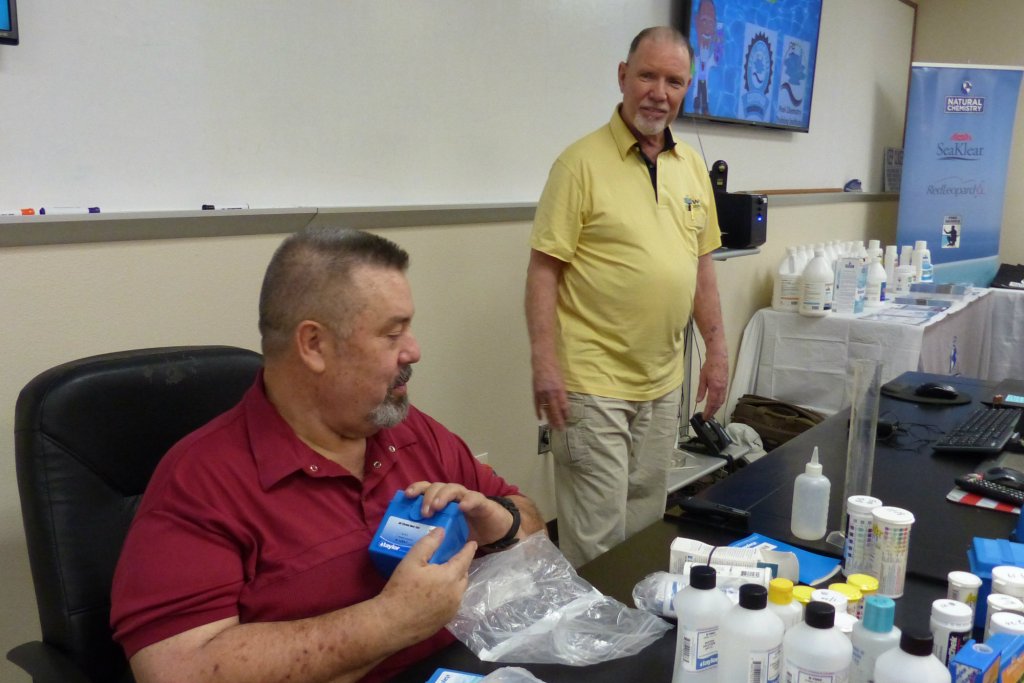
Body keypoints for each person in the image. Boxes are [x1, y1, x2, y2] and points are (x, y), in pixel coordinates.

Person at [111, 227, 544, 683]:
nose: (414, 350)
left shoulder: (408, 428)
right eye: (392, 333)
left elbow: (532, 526)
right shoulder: (202, 480)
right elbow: (176, 671)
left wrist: (502, 521)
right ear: (314, 345)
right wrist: (390, 621)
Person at [525, 26, 728, 568]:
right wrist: (544, 362)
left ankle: (634, 638)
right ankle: (595, 645)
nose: (659, 92)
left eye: (674, 81)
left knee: (642, 528)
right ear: (623, 76)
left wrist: (718, 350)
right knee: (596, 541)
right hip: (591, 385)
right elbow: (544, 271)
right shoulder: (579, 164)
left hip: (662, 384)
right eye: (647, 75)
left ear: (686, 89)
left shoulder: (690, 168)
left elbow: (700, 265)